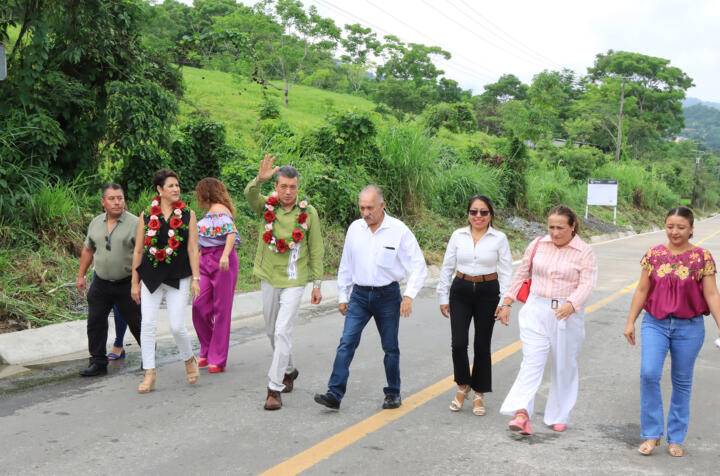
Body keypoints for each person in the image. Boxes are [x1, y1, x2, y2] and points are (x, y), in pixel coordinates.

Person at [314, 185, 427, 410]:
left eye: (370, 208)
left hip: (387, 296)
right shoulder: (355, 229)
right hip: (359, 296)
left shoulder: (398, 230)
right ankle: (334, 393)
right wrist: (342, 295)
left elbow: (418, 266)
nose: (366, 213)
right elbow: (346, 264)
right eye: (362, 208)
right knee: (346, 343)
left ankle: (393, 393)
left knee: (390, 347)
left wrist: (409, 296)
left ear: (382, 206)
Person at [623, 207, 720, 457]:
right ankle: (652, 434)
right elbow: (642, 290)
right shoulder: (654, 255)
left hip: (690, 326)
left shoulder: (702, 257)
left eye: (681, 227)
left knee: (682, 382)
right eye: (670, 226)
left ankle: (675, 438)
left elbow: (711, 294)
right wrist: (631, 321)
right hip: (655, 322)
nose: (674, 232)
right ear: (664, 226)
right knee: (649, 374)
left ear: (691, 229)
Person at [496, 205, 597, 435]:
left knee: (564, 366)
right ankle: (521, 412)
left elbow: (587, 283)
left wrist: (572, 303)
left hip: (566, 314)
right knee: (532, 361)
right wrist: (507, 302)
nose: (555, 232)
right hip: (536, 309)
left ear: (572, 226)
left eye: (560, 227)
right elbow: (521, 274)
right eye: (551, 227)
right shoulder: (537, 245)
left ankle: (559, 415)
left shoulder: (584, 252)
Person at [244, 154, 324, 410]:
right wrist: (259, 179)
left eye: (293, 187)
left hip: (294, 279)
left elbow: (317, 249)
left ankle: (274, 388)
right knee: (270, 331)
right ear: (276, 187)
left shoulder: (308, 213)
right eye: (283, 186)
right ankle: (289, 370)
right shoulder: (268, 206)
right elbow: (249, 196)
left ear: (297, 188)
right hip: (269, 276)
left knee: (282, 331)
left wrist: (317, 283)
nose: (288, 192)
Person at [436, 195, 513, 415]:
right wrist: (443, 297)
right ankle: (462, 386)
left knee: (482, 345)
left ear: (490, 215)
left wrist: (504, 302)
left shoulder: (499, 238)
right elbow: (447, 266)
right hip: (460, 290)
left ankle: (479, 394)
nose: (478, 216)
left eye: (483, 212)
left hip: (488, 292)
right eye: (474, 212)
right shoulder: (457, 236)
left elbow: (507, 272)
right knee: (458, 343)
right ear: (468, 214)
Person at [131, 169, 201, 393]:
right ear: (159, 190)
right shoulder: (146, 215)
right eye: (171, 186)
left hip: (178, 275)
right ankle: (150, 373)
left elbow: (192, 248)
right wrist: (135, 281)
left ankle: (189, 358)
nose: (176, 189)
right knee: (148, 325)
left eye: (177, 185)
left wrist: (196, 278)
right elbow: (139, 249)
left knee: (176, 326)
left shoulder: (188, 215)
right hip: (151, 276)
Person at [76, 183, 142, 376]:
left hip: (127, 282)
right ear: (103, 202)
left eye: (120, 198)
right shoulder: (96, 223)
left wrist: (138, 282)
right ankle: (97, 362)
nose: (117, 202)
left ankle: (149, 358)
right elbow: (88, 249)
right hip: (101, 282)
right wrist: (81, 275)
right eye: (112, 199)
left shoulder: (136, 223)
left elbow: (143, 253)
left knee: (137, 322)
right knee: (95, 321)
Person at [192, 178, 241, 373]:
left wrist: (225, 255)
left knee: (221, 310)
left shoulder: (221, 209)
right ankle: (207, 348)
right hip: (205, 259)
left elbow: (231, 233)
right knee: (199, 305)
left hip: (222, 261)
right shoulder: (208, 212)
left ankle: (217, 358)